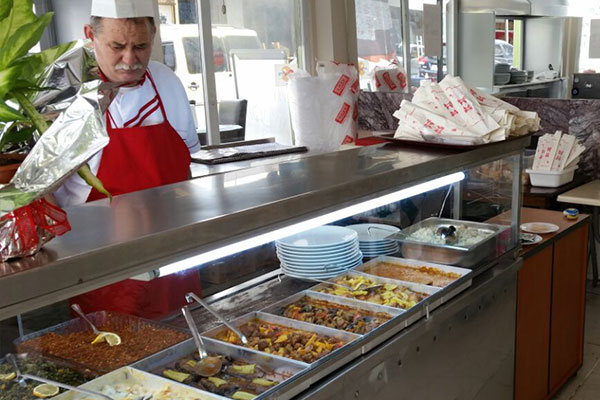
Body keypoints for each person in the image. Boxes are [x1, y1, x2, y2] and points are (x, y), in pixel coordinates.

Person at [59, 0, 202, 320]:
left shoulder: (167, 82)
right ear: (90, 35)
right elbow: (45, 193)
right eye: (117, 46)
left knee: (187, 340)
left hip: (173, 257)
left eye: (140, 46)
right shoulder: (68, 96)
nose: (130, 59)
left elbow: (185, 168)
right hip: (105, 268)